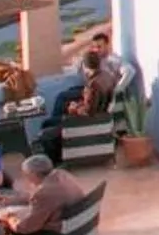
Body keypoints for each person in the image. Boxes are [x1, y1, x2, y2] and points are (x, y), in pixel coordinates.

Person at [40, 33, 124, 161]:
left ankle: (55, 160)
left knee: (47, 126)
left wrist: (73, 109)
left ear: (85, 67)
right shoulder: (107, 77)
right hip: (99, 112)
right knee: (59, 111)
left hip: (88, 121)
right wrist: (78, 104)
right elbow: (92, 104)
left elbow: (88, 112)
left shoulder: (93, 85)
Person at [0, 154, 87, 235]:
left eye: (26, 174)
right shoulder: (61, 175)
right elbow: (40, 197)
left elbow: (26, 227)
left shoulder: (43, 193)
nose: (26, 178)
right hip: (76, 225)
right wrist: (13, 200)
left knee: (3, 227)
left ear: (33, 174)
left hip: (57, 233)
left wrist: (9, 219)